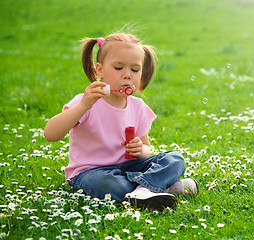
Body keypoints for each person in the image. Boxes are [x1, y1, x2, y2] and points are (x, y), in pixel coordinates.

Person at [43, 31, 199, 211]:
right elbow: (50, 134)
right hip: (91, 172)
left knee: (175, 159)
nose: (127, 75)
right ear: (99, 70)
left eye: (135, 70)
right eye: (119, 68)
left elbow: (146, 149)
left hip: (130, 166)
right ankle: (158, 187)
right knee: (110, 185)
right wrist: (82, 107)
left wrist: (140, 150)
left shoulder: (138, 106)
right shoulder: (86, 101)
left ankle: (142, 191)